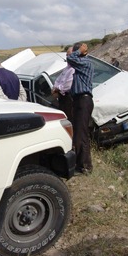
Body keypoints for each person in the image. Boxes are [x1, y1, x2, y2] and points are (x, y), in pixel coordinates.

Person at [67, 42, 95, 175]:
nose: (72, 54)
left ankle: (85, 166)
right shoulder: (79, 65)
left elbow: (71, 58)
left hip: (84, 100)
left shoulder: (86, 63)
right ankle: (81, 164)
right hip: (79, 100)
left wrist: (79, 51)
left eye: (75, 52)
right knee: (79, 133)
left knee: (82, 134)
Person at [51, 46, 74, 123]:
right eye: (67, 55)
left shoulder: (73, 69)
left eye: (69, 55)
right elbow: (57, 81)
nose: (67, 57)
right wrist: (56, 88)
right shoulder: (66, 69)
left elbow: (67, 86)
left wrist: (57, 89)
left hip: (70, 100)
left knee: (70, 121)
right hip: (62, 100)